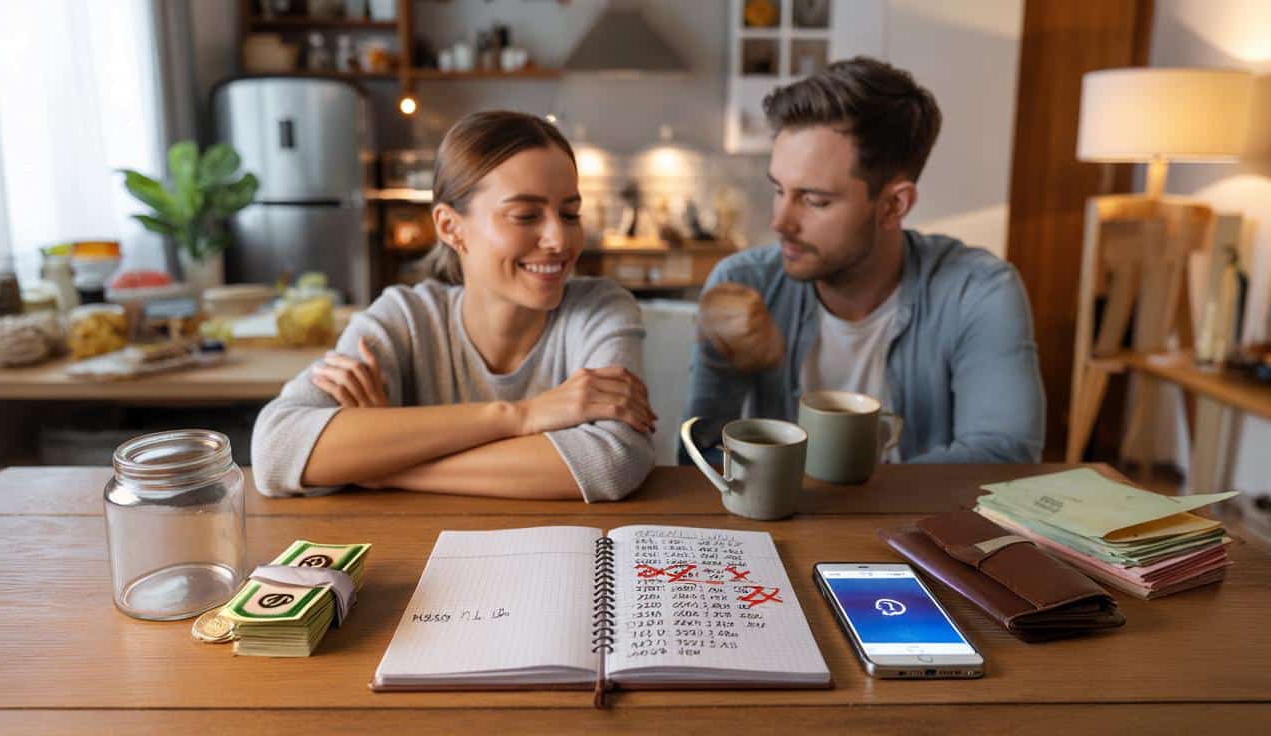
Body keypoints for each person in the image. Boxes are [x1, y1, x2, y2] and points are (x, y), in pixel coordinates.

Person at [253, 110, 656, 501]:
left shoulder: (600, 309)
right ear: (450, 227)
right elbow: (276, 451)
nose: (560, 239)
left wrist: (381, 464)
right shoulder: (405, 318)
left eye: (570, 214)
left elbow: (612, 461)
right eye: (526, 215)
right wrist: (520, 415)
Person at [684, 57, 1044, 464]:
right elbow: (698, 457)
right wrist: (726, 369)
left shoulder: (979, 291)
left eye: (815, 200)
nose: (780, 221)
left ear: (893, 205)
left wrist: (835, 498)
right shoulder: (745, 282)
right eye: (779, 190)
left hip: (916, 528)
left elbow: (1005, 453)